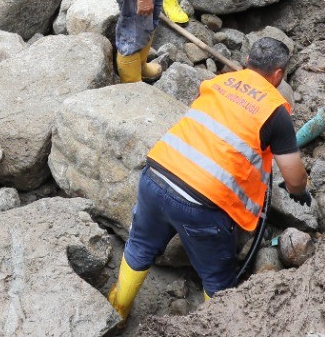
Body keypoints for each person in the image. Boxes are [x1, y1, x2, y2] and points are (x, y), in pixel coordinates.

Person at [105, 37, 309, 319]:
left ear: (247, 61)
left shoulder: (217, 83)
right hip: (201, 205)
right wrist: (300, 191)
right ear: (278, 75)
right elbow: (294, 178)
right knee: (217, 279)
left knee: (139, 247)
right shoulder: (275, 112)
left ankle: (118, 310)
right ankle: (213, 324)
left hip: (155, 175)